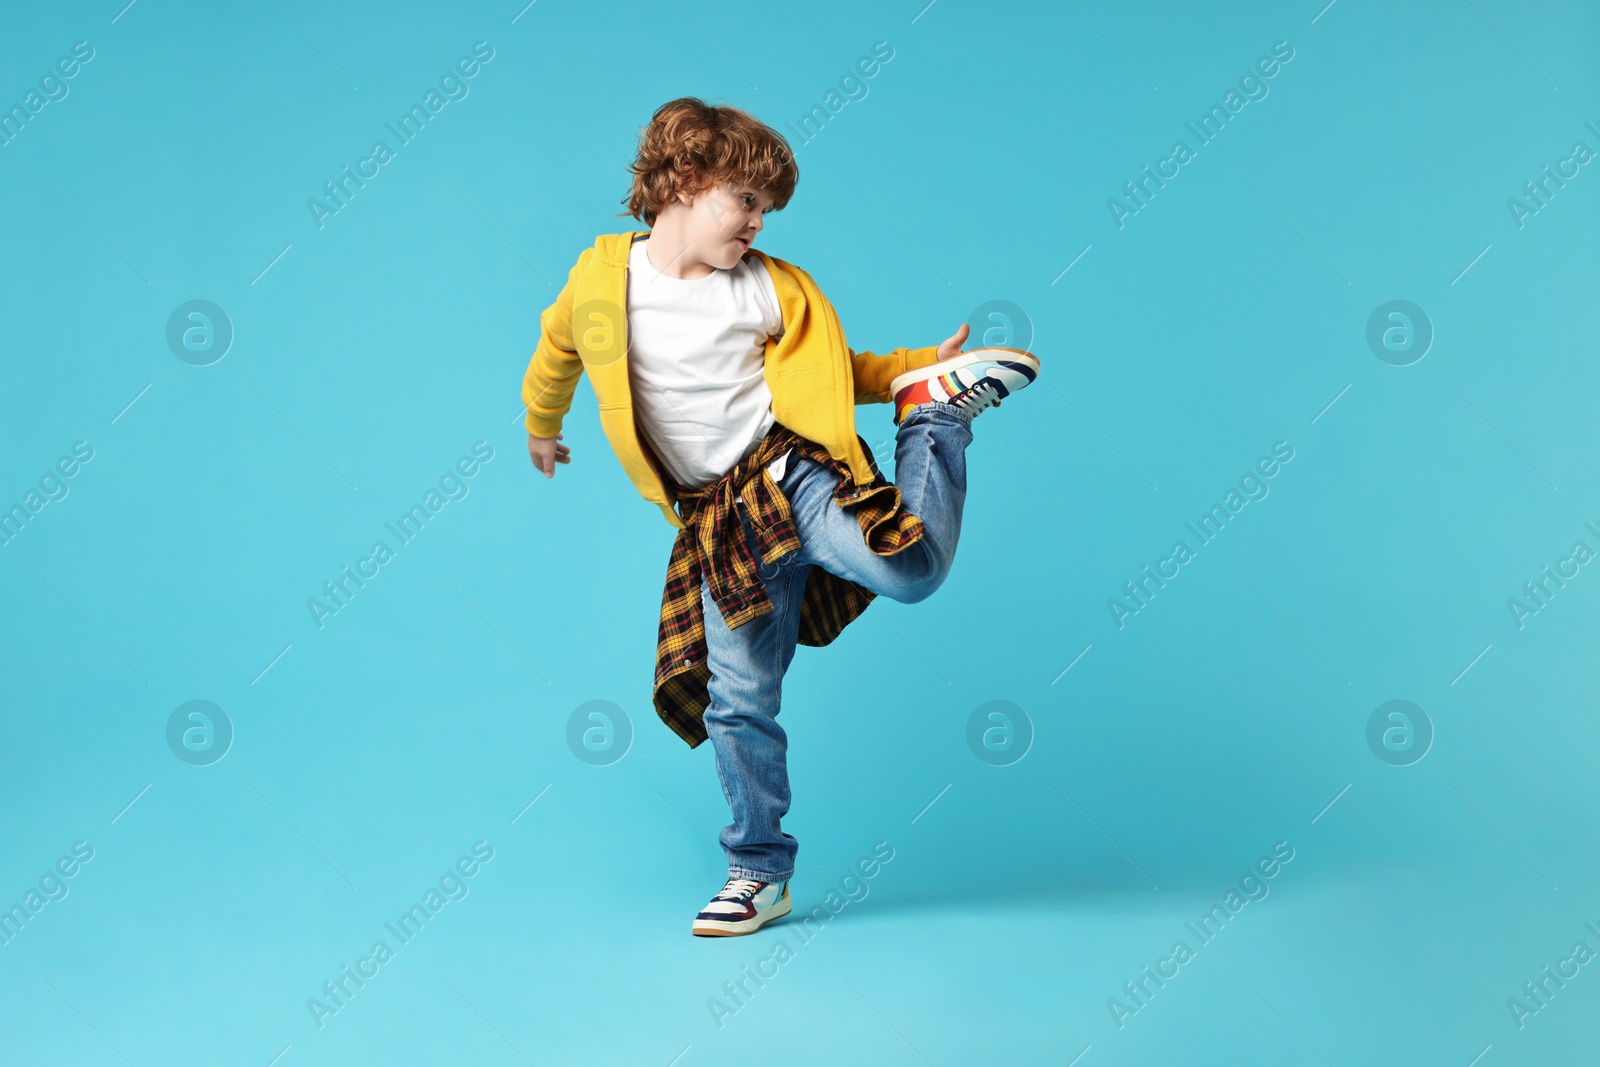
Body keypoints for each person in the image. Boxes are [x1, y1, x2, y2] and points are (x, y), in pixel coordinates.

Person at [521, 97, 1040, 937]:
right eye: (747, 202)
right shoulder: (598, 285)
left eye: (767, 210)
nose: (759, 224)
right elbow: (554, 352)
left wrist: (914, 370)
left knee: (913, 569)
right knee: (739, 698)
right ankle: (758, 872)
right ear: (684, 182)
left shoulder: (765, 289)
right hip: (720, 524)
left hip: (791, 477)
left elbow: (840, 368)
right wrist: (542, 423)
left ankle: (936, 416)